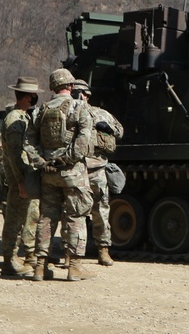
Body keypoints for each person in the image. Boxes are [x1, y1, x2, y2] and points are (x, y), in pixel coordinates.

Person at [23, 68, 95, 281]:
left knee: (47, 217)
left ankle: (40, 266)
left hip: (48, 174)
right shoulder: (79, 107)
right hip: (73, 173)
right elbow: (83, 140)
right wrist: (68, 159)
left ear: (53, 87)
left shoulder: (41, 110)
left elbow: (29, 141)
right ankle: (74, 266)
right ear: (71, 86)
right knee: (75, 216)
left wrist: (41, 162)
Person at [72, 78, 124, 267]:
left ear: (86, 95)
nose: (77, 96)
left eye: (79, 92)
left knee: (101, 211)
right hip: (75, 169)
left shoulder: (100, 113)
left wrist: (107, 128)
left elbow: (119, 131)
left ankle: (103, 250)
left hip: (96, 169)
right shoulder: (69, 113)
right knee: (73, 212)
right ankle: (72, 252)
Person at [0, 76, 43, 277]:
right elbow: (15, 154)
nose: (35, 98)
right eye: (33, 95)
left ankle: (20, 257)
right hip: (20, 178)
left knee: (25, 217)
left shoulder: (22, 116)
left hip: (24, 177)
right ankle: (9, 261)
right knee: (14, 220)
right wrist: (21, 181)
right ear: (26, 97)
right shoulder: (15, 120)